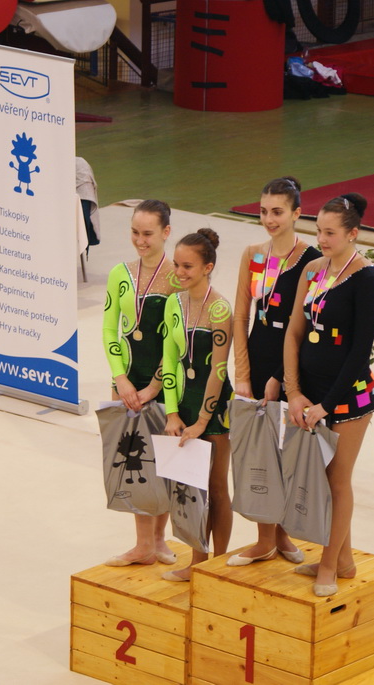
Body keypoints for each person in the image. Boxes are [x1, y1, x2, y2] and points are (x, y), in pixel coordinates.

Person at [283, 193, 374, 597]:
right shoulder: (312, 270)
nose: (321, 239)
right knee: (321, 479)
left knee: (337, 481)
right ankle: (344, 559)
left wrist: (327, 404)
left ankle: (328, 566)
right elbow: (294, 332)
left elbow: (360, 352)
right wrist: (293, 391)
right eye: (318, 231)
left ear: (352, 233)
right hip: (310, 393)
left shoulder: (366, 278)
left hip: (348, 397)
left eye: (330, 233)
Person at [227, 177, 321, 567]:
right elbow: (241, 317)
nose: (269, 219)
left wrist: (282, 378)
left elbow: (306, 325)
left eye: (278, 212)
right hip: (258, 362)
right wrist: (243, 373)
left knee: (289, 453)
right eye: (264, 211)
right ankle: (265, 539)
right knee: (260, 454)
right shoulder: (253, 255)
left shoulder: (313, 260)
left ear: (297, 213)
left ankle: (281, 534)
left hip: (292, 366)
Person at [101, 199, 181, 567]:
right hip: (127, 380)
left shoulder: (178, 278)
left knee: (162, 463)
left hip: (165, 384)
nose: (140, 240)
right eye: (134, 232)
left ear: (166, 232)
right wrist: (120, 379)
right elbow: (110, 329)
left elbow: (176, 343)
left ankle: (159, 540)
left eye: (148, 233)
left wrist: (153, 388)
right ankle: (142, 544)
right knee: (133, 461)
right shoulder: (120, 273)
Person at [160, 228, 234, 581]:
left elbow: (218, 370)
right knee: (191, 486)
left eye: (187, 266)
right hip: (185, 399)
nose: (179, 272)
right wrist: (172, 411)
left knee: (216, 487)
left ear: (208, 267)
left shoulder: (220, 309)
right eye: (176, 264)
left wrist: (203, 420)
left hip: (215, 406)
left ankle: (218, 565)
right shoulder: (174, 303)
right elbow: (169, 359)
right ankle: (197, 561)